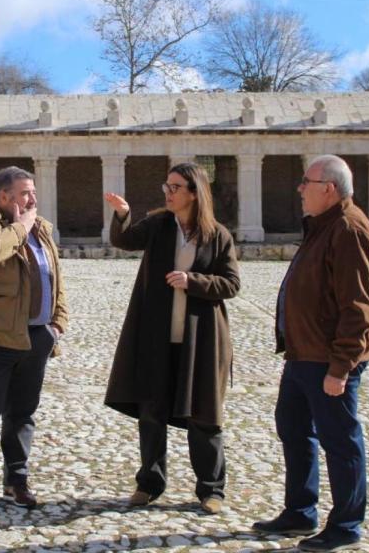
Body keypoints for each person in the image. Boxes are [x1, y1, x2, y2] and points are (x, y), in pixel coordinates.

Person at [252, 155, 369, 552]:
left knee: (340, 441)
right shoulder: (322, 226)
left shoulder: (348, 230)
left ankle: (346, 524)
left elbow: (358, 307)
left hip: (328, 359)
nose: (299, 188)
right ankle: (300, 511)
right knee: (294, 429)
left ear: (328, 188)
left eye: (305, 182)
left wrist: (341, 367)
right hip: (302, 354)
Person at [103, 162, 240, 514]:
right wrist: (123, 214)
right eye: (167, 186)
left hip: (201, 339)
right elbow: (124, 240)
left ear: (194, 192)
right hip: (157, 336)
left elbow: (231, 284)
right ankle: (149, 483)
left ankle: (212, 489)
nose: (168, 192)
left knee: (204, 416)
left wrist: (193, 281)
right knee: (152, 411)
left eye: (175, 187)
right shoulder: (158, 225)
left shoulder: (217, 235)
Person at [0, 165, 68, 516]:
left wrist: (57, 323)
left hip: (36, 336)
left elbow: (54, 275)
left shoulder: (42, 228)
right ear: (4, 197)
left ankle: (17, 480)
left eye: (33, 192)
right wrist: (20, 227)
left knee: (22, 414)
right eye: (24, 193)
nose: (32, 199)